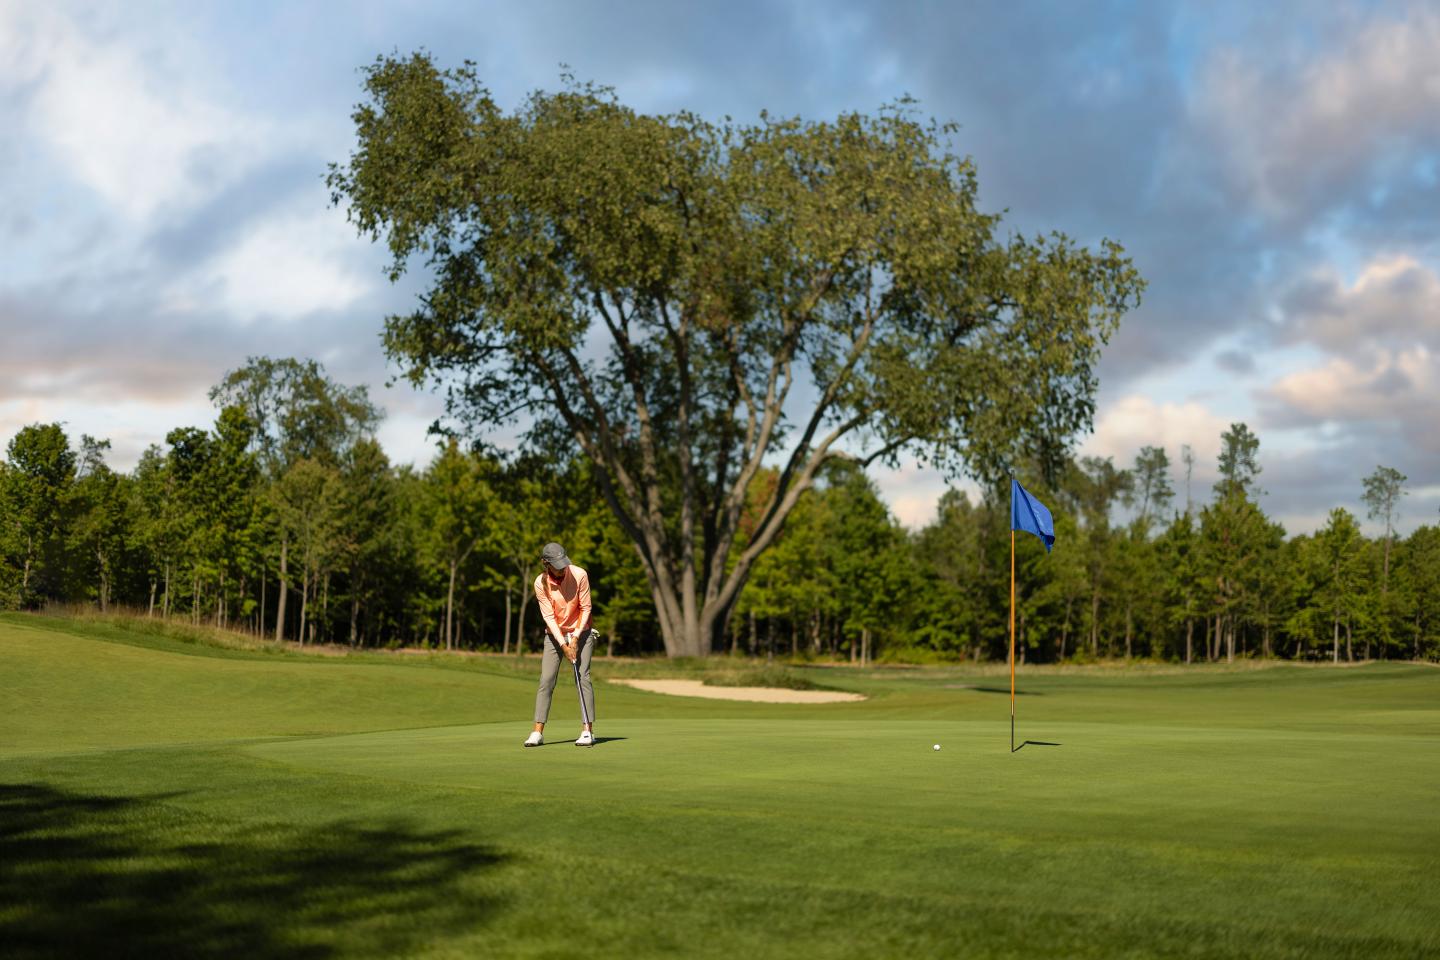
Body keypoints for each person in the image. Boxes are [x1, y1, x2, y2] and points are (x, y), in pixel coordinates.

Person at [524, 542, 597, 748]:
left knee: (582, 677)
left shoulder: (579, 574)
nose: (562, 568)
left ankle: (587, 730)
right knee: (546, 680)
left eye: (563, 563)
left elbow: (586, 607)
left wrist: (574, 639)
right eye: (557, 565)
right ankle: (537, 732)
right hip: (554, 634)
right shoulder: (541, 583)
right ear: (545, 563)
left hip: (581, 631)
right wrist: (563, 645)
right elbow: (548, 616)